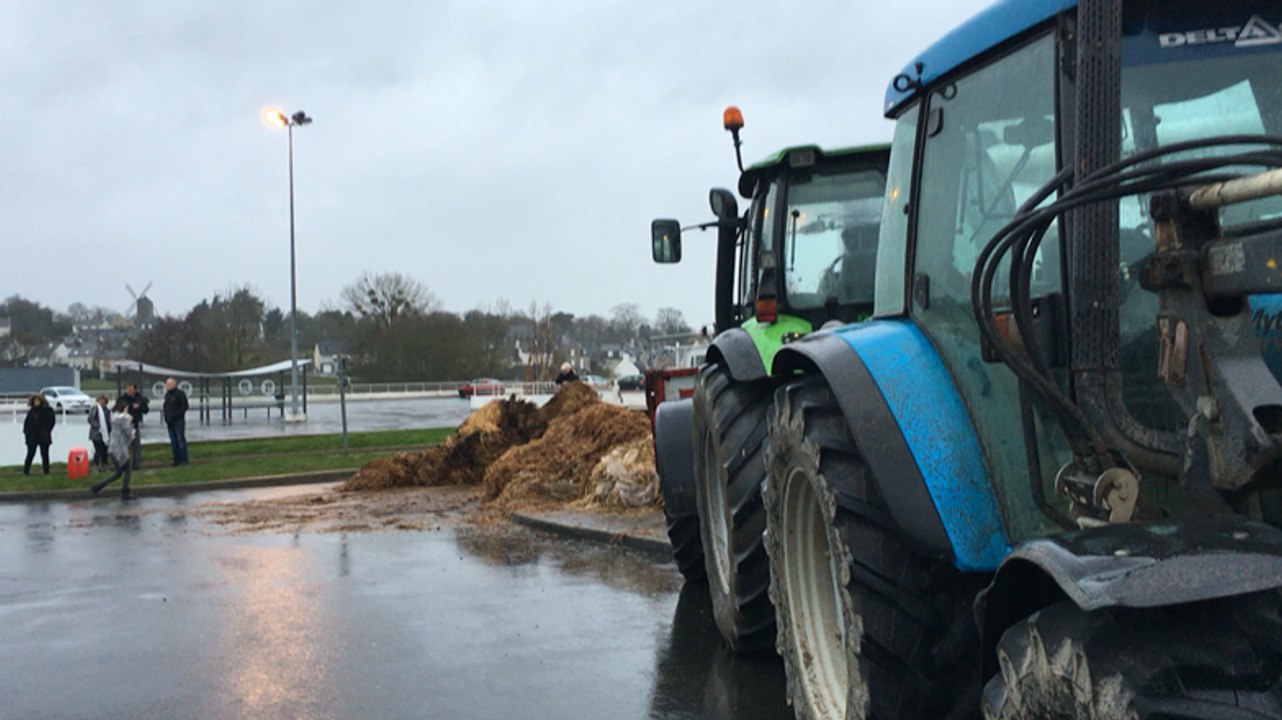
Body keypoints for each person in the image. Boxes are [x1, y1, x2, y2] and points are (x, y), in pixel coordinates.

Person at [90, 400, 136, 501]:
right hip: (120, 449)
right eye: (127, 408)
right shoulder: (123, 418)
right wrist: (131, 423)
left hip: (113, 447)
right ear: (124, 408)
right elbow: (128, 432)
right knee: (127, 470)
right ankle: (125, 492)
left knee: (118, 473)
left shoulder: (114, 417)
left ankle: (97, 487)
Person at [22, 394, 56, 476]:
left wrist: (46, 431)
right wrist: (26, 432)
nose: (36, 402)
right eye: (34, 401)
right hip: (32, 436)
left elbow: (52, 422)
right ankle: (26, 472)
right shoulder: (31, 411)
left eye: (38, 401)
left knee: (45, 454)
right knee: (30, 454)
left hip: (43, 436)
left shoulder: (48, 410)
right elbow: (26, 423)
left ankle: (46, 471)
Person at [118, 383, 149, 469]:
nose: (129, 391)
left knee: (136, 445)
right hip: (124, 425)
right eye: (127, 389)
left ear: (135, 390)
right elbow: (116, 409)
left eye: (131, 390)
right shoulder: (122, 398)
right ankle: (124, 463)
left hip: (134, 424)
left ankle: (136, 463)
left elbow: (146, 409)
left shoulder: (139, 398)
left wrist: (139, 407)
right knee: (124, 445)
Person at [163, 378, 189, 466]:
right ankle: (176, 459)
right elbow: (166, 407)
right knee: (173, 441)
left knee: (180, 439)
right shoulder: (167, 395)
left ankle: (184, 459)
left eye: (169, 384)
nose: (168, 386)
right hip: (169, 421)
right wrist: (166, 417)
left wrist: (176, 415)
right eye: (167, 385)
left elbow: (184, 406)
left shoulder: (180, 394)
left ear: (174, 384)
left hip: (178, 421)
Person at [87, 395, 112, 470]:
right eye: (100, 400)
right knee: (98, 449)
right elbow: (90, 419)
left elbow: (109, 421)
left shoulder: (107, 410)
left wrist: (109, 430)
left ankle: (104, 464)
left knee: (105, 450)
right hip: (96, 434)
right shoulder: (95, 409)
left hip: (105, 434)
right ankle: (95, 465)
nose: (102, 402)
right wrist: (98, 426)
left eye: (103, 400)